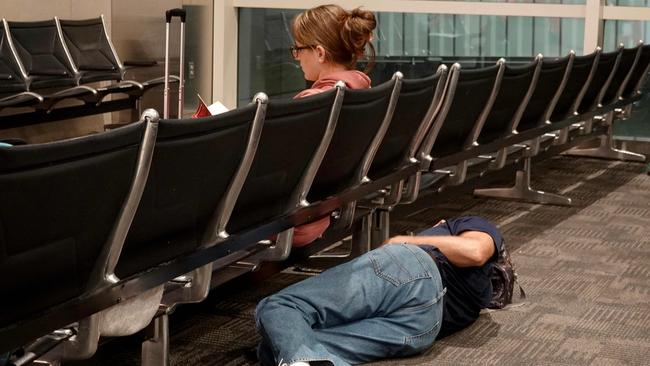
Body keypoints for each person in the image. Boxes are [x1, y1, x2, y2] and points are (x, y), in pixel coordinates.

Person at [255, 216, 503, 366]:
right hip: (422, 327)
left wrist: (402, 240)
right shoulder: (474, 300)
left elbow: (475, 251)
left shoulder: (474, 224)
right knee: (276, 348)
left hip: (413, 271)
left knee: (282, 306)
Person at [288, 4, 377, 247]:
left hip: (293, 223)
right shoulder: (363, 91)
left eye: (298, 49)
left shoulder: (314, 103)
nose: (297, 57)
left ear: (319, 52)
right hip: (328, 211)